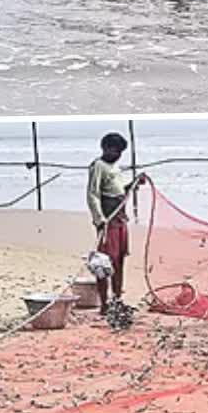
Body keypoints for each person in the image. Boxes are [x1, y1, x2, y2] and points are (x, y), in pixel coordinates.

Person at [86, 132, 132, 315]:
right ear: (105, 148)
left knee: (120, 260)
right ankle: (104, 303)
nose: (118, 154)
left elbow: (118, 192)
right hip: (108, 222)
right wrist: (100, 219)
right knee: (104, 263)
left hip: (121, 220)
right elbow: (93, 194)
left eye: (120, 151)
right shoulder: (98, 166)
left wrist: (133, 185)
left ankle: (117, 297)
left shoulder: (115, 167)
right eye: (115, 150)